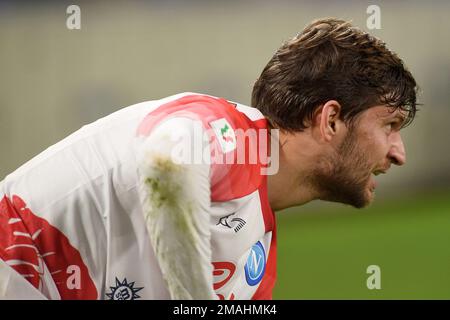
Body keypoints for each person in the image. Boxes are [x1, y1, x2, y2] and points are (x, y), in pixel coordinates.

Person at [0, 17, 417, 300]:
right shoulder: (232, 131)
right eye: (389, 125)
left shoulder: (257, 251)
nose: (398, 153)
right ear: (330, 121)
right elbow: (166, 161)